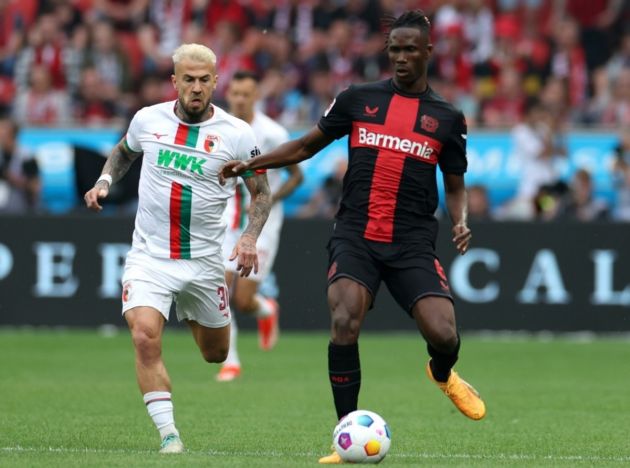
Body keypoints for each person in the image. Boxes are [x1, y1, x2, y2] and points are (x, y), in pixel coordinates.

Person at [219, 10, 486, 464]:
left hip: (412, 241)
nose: (401, 58)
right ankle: (345, 436)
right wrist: (254, 163)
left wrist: (459, 220)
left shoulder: (446, 118)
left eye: (409, 50)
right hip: (356, 234)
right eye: (394, 50)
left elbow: (455, 183)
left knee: (444, 335)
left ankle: (443, 374)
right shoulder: (358, 100)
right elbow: (306, 146)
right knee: (344, 321)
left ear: (428, 52)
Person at [84, 43, 271, 453]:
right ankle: (170, 437)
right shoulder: (147, 119)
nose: (196, 87)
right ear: (175, 81)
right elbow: (123, 153)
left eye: (205, 79)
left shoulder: (237, 134)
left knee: (215, 354)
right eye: (188, 79)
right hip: (150, 257)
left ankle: (191, 313)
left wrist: (249, 237)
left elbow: (261, 193)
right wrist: (104, 182)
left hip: (204, 262)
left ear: (216, 82)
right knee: (145, 337)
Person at [217, 70, 303, 382]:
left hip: (263, 224)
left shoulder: (272, 133)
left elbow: (297, 176)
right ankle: (231, 360)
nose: (239, 99)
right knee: (220, 291)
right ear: (229, 95)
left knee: (243, 299)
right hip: (227, 221)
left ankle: (266, 309)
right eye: (235, 93)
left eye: (246, 94)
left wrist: (269, 200)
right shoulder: (220, 128)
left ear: (256, 97)